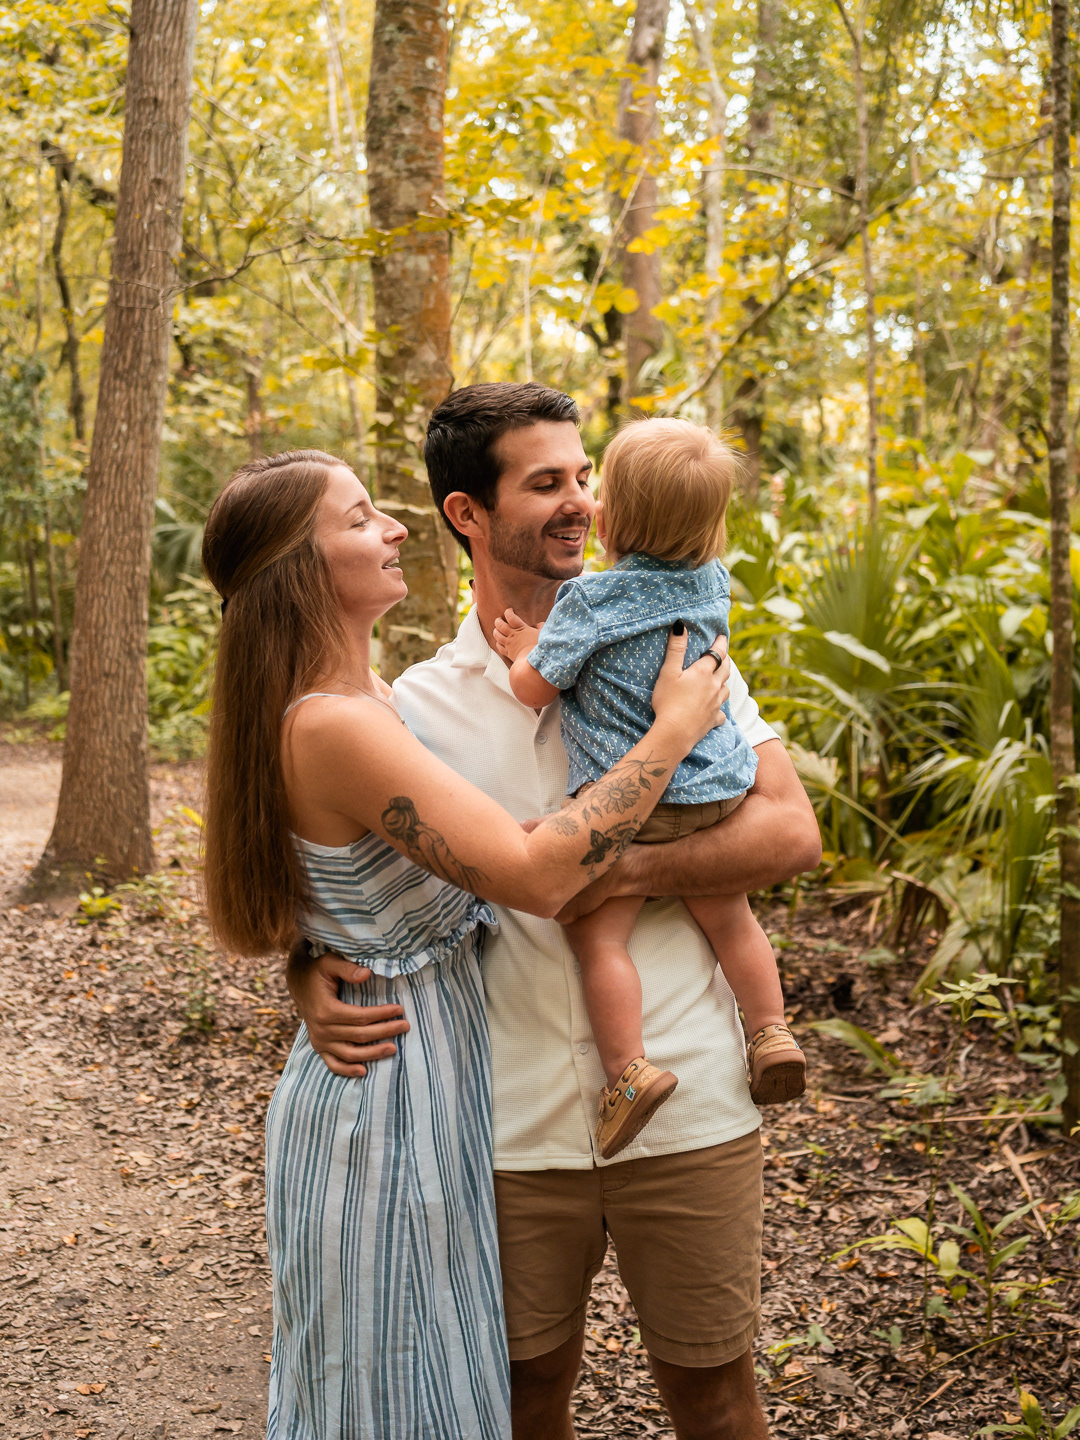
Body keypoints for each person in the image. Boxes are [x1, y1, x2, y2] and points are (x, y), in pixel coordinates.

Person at [289, 381, 822, 1440]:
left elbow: (790, 832)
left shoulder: (688, 645)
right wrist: (308, 963)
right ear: (467, 516)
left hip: (695, 1098)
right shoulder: (419, 706)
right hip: (509, 1121)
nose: (579, 501)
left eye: (586, 477)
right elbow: (354, 862)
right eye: (547, 484)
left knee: (717, 1396)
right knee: (526, 1396)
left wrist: (622, 876)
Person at [199, 447, 732, 1440]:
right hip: (388, 1100)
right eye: (360, 519)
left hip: (430, 1078)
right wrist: (670, 731)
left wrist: (314, 959)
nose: (395, 527)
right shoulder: (335, 725)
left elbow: (348, 880)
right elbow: (533, 874)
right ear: (299, 568)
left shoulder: (369, 704)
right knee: (385, 1392)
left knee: (431, 1384)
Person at [491, 418, 805, 1162]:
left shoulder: (589, 602)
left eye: (593, 485)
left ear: (612, 518)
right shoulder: (713, 582)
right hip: (719, 787)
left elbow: (536, 688)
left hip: (634, 805)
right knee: (730, 918)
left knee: (597, 935)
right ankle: (769, 1031)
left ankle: (628, 1071)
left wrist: (523, 650)